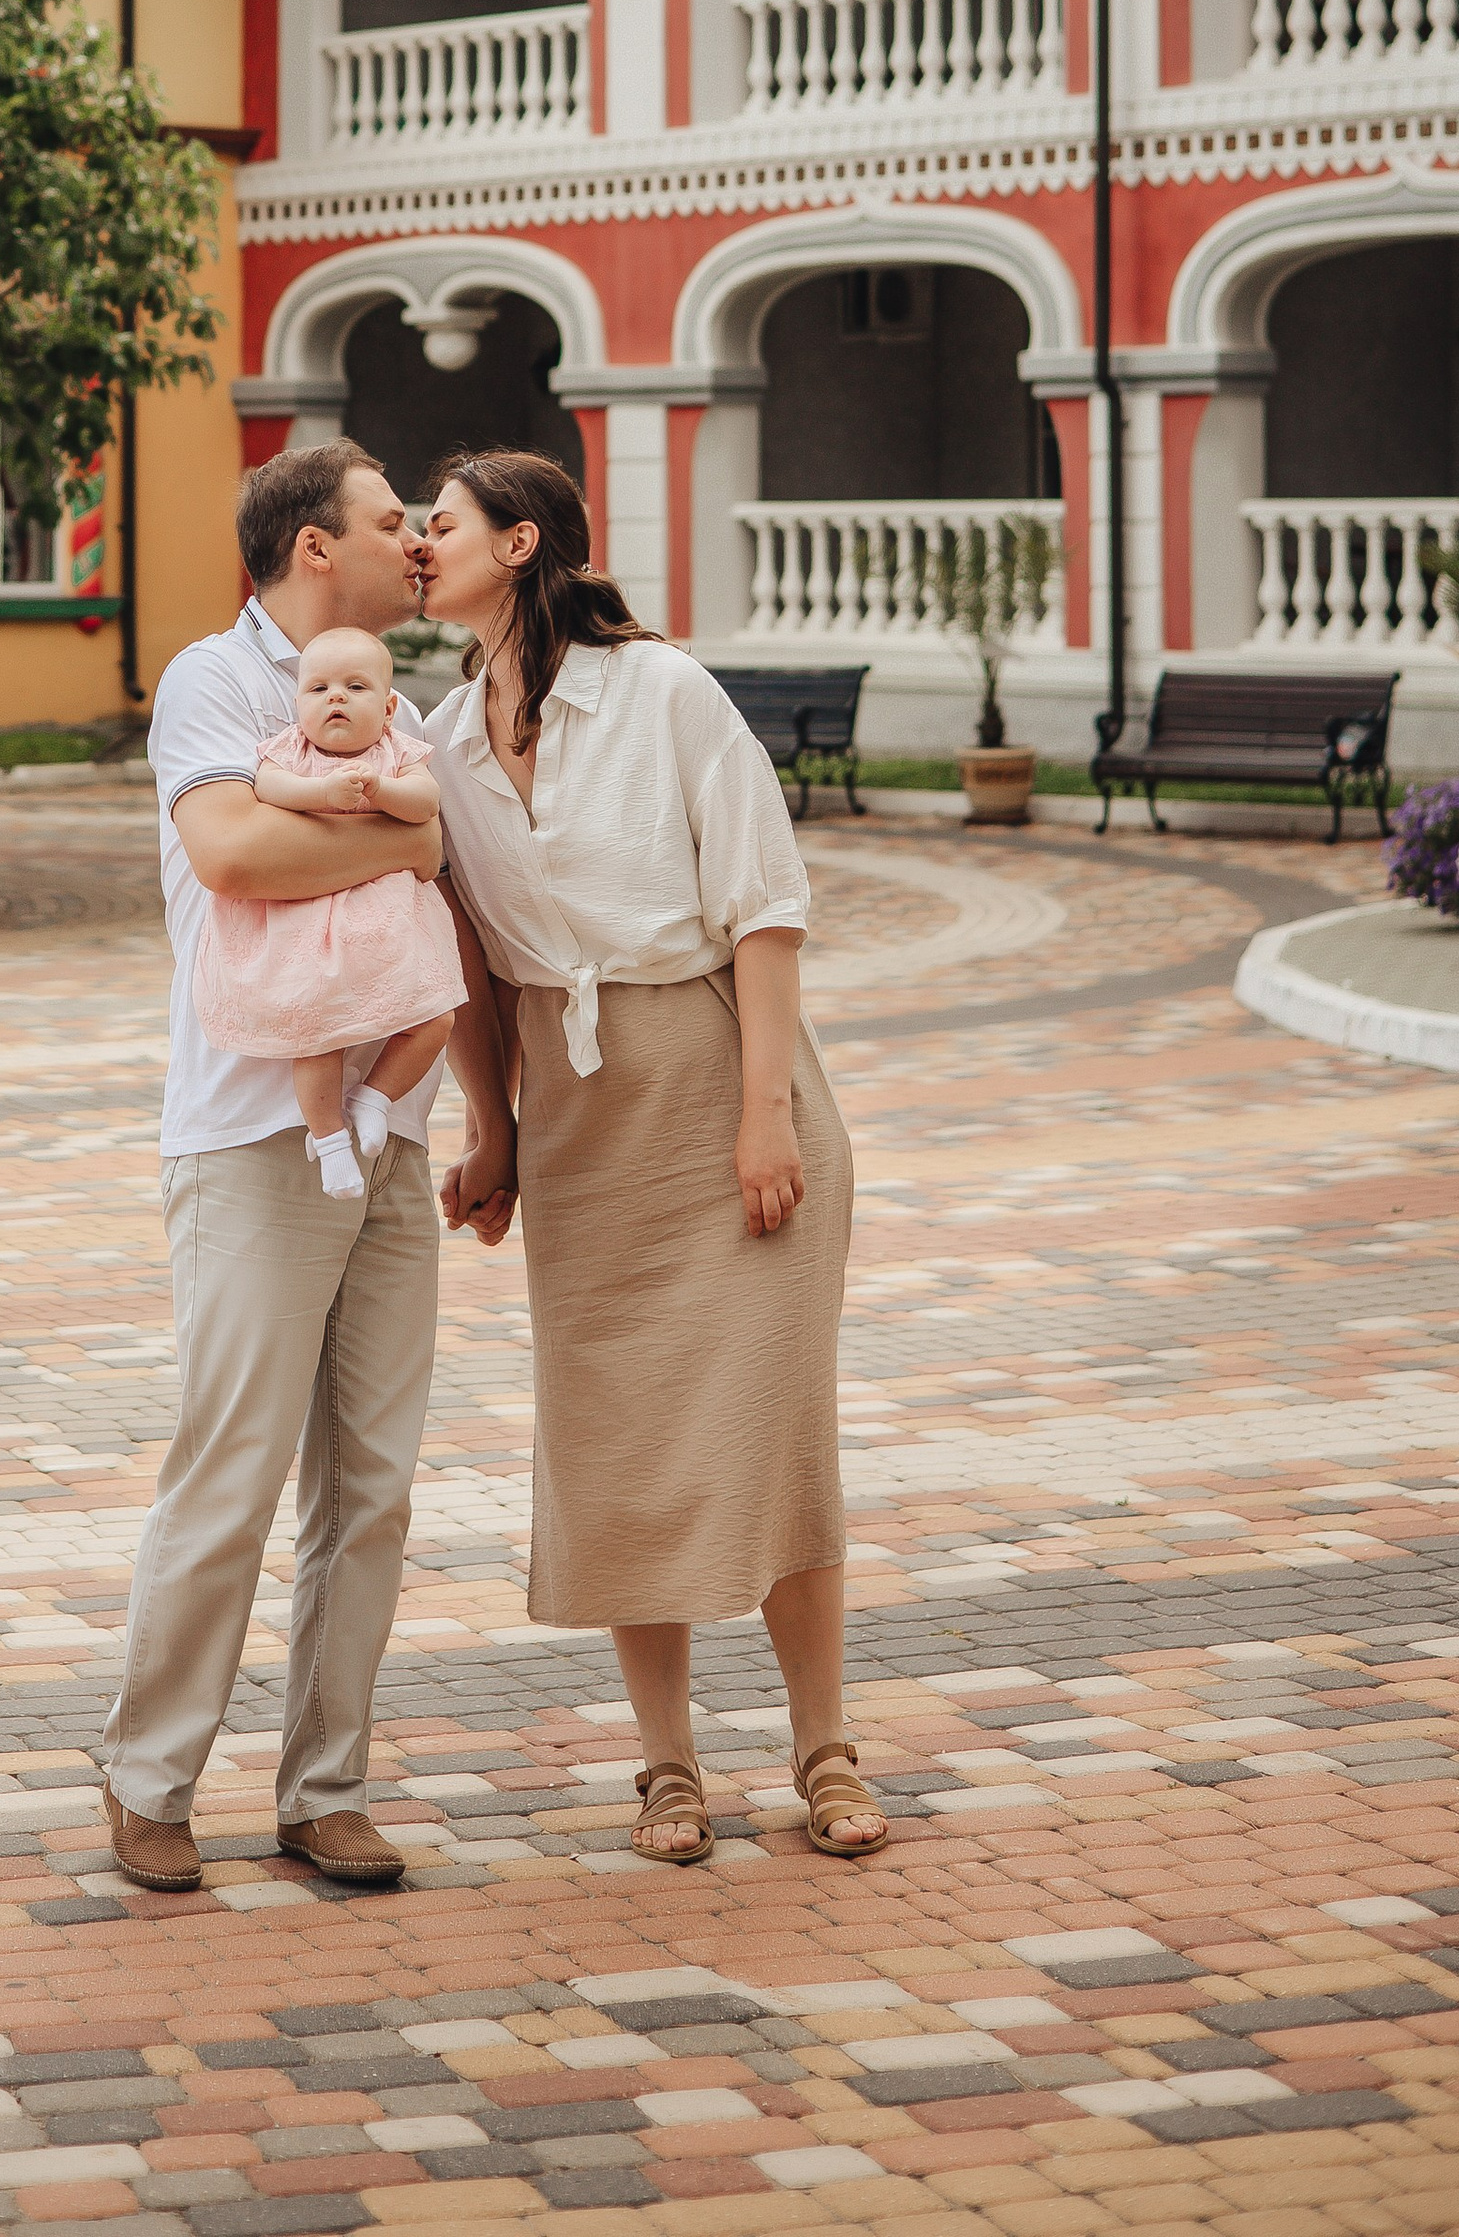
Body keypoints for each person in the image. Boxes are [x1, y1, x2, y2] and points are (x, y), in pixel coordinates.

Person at [422, 448, 887, 1869]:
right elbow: (477, 970)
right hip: (576, 1120)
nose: (420, 549)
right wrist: (493, 1129)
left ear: (519, 543)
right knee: (616, 1438)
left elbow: (764, 908)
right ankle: (667, 1768)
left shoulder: (666, 693)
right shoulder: (439, 742)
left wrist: (765, 1113)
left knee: (773, 1434)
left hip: (715, 1077)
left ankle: (824, 1750)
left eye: (438, 529)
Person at [98, 441, 504, 1895]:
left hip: (389, 1134)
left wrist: (401, 834)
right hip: (251, 1132)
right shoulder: (214, 680)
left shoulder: (408, 700)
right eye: (391, 520)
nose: (414, 542)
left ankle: (325, 1787)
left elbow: (438, 865)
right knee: (235, 1468)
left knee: (374, 1486)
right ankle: (149, 1780)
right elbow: (232, 857)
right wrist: (402, 837)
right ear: (314, 546)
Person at [198, 624, 464, 1197]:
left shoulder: (396, 753)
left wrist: (379, 791)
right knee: (316, 1034)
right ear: (298, 706)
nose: (334, 697)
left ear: (389, 707)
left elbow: (426, 802)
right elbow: (268, 788)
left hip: (384, 925)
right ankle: (328, 1140)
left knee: (437, 1014)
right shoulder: (290, 753)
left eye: (355, 686)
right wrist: (322, 794)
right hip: (310, 924)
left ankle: (375, 1097)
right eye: (317, 688)